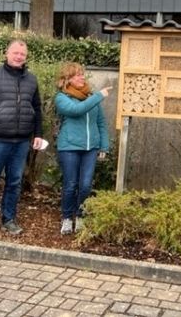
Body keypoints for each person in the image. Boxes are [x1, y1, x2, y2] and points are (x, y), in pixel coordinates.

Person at [0, 39, 44, 239]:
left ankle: (8, 219)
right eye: (15, 53)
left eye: (23, 54)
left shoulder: (31, 79)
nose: (19, 56)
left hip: (21, 142)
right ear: (7, 53)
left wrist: (38, 134)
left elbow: (37, 109)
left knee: (14, 182)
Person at [55, 62, 112, 235]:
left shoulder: (91, 96)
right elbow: (76, 110)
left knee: (86, 186)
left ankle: (80, 216)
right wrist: (99, 96)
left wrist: (104, 145)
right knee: (71, 184)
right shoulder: (62, 98)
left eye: (82, 74)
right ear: (67, 80)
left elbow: (101, 123)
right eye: (77, 75)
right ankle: (66, 218)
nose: (81, 77)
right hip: (69, 147)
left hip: (91, 148)